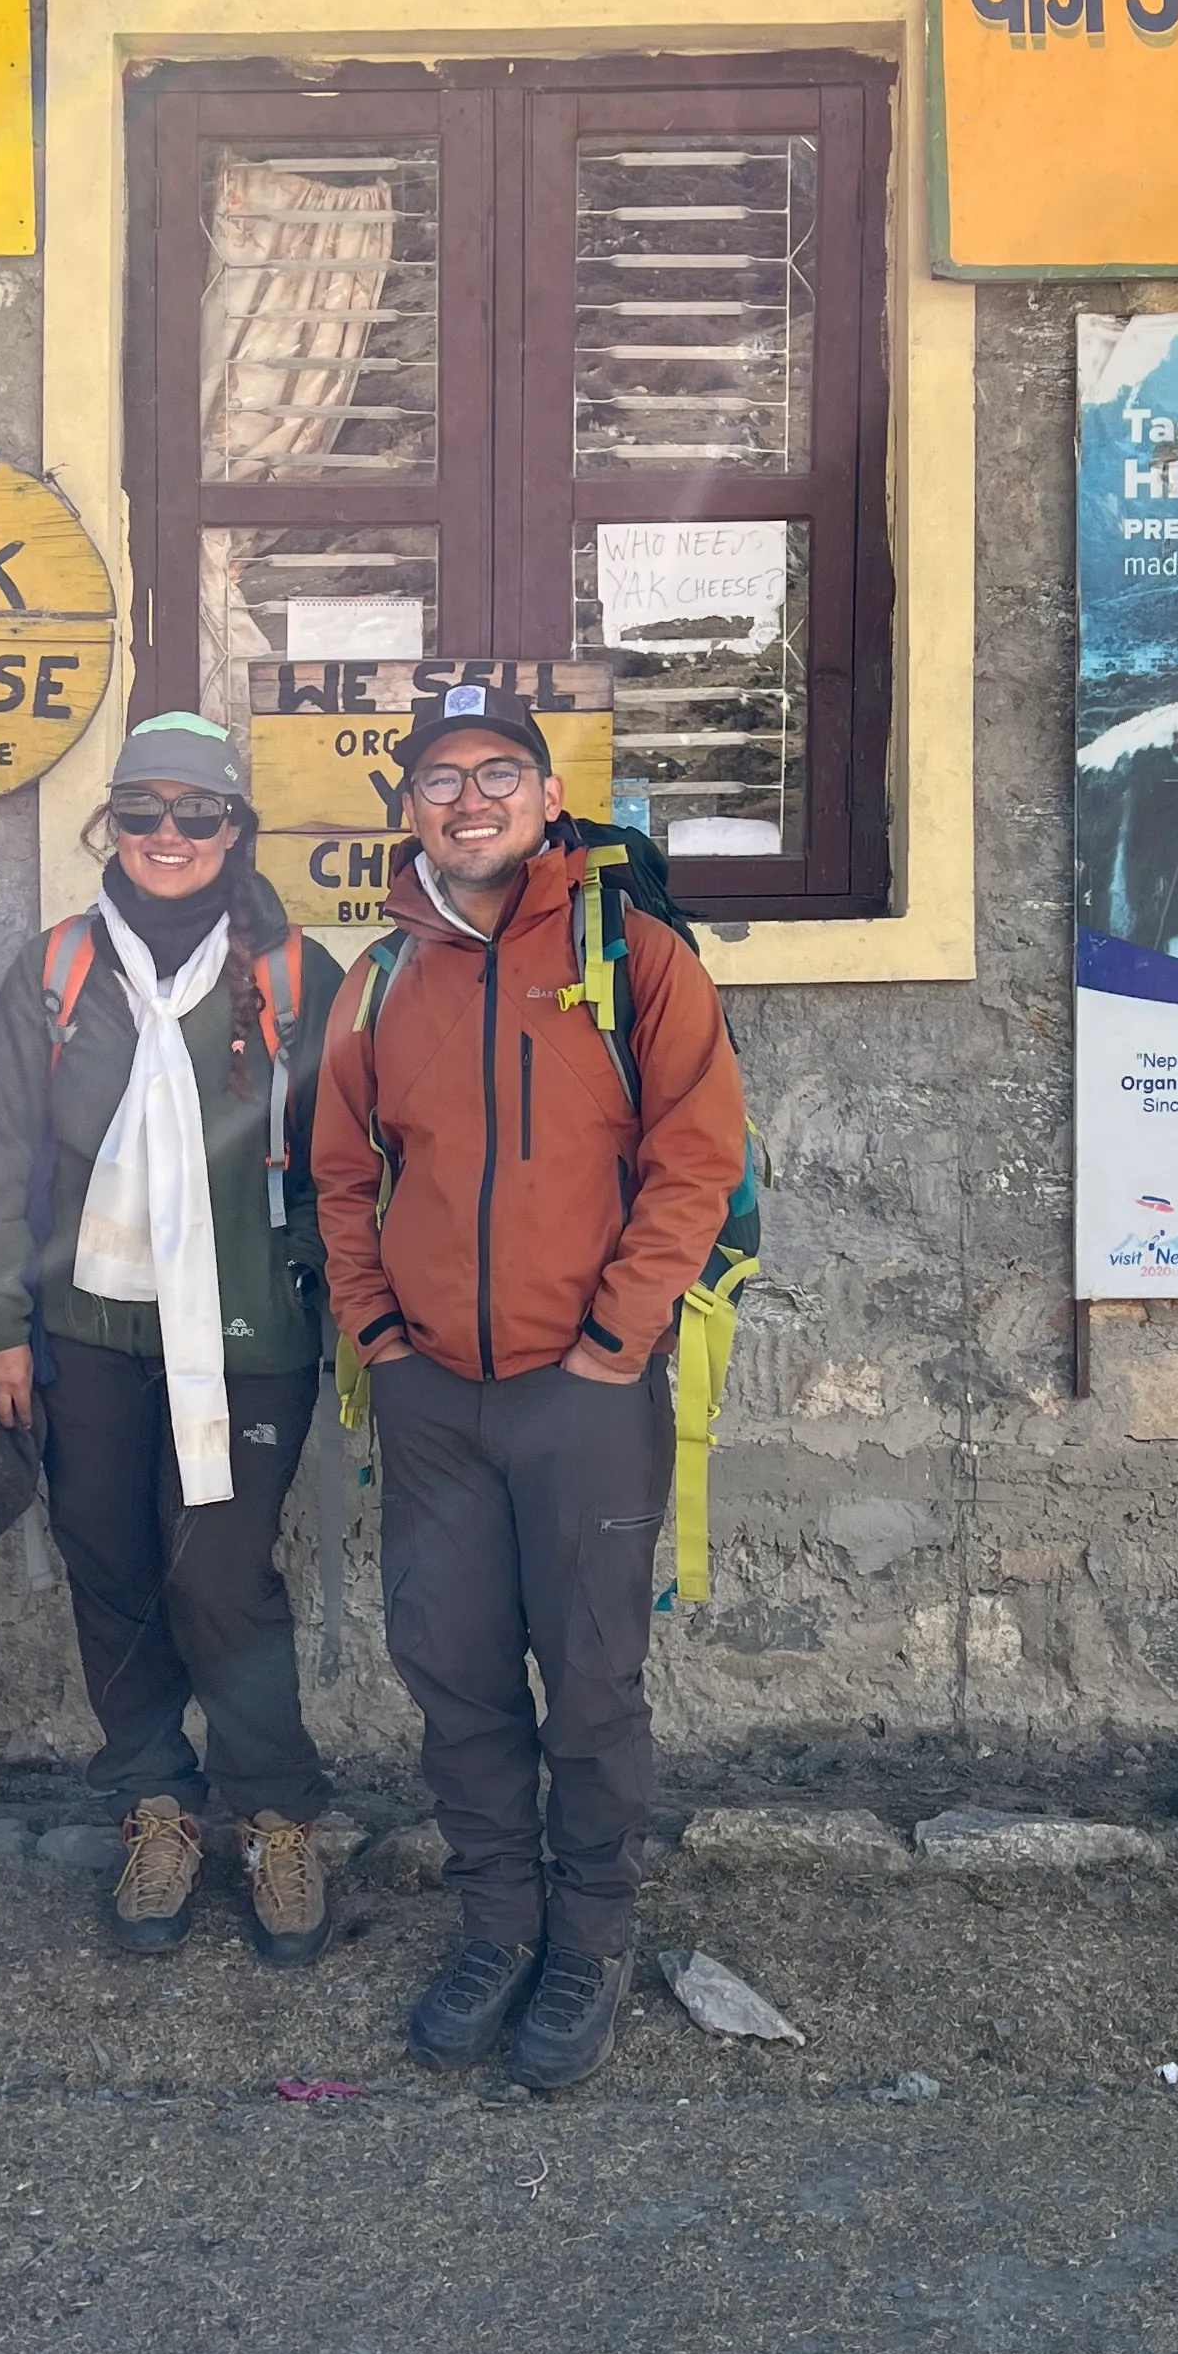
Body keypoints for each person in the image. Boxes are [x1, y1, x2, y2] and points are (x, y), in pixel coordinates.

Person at [313, 682, 748, 2093]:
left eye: (498, 773)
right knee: (450, 1672)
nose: (470, 800)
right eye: (440, 781)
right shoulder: (377, 979)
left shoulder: (635, 956)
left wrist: (617, 1342)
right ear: (409, 813)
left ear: (547, 797)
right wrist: (379, 1333)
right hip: (434, 1396)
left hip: (585, 1392)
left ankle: (592, 1938)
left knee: (593, 1682)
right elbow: (338, 1172)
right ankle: (498, 1925)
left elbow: (697, 1156)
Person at [0, 711, 344, 1962]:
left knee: (221, 1581)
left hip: (245, 1337)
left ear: (237, 832)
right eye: (143, 814)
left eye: (198, 815)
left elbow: (355, 1160)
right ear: (110, 827)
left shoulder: (295, 977)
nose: (168, 836)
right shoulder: (60, 970)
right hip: (84, 1334)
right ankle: (158, 1804)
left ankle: (276, 1813)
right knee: (112, 1573)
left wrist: (348, 1304)